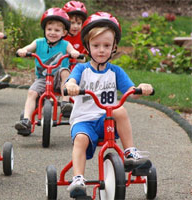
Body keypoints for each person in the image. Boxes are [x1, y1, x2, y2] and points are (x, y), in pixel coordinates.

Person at [64, 12, 154, 197]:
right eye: (96, 45)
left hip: (107, 121)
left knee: (119, 109)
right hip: (84, 121)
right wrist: (71, 86)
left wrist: (141, 88)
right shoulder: (81, 69)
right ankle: (78, 179)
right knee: (80, 139)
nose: (102, 50)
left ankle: (129, 153)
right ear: (87, 47)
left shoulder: (116, 72)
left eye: (107, 45)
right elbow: (71, 81)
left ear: (114, 47)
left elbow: (131, 91)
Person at [14, 8, 80, 136]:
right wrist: (22, 50)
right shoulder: (38, 42)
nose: (52, 33)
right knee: (32, 92)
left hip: (59, 80)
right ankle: (26, 120)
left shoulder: (65, 44)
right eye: (49, 29)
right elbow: (29, 48)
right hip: (43, 79)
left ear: (64, 32)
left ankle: (66, 102)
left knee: (64, 71)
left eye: (57, 30)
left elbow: (72, 51)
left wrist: (74, 53)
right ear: (44, 30)